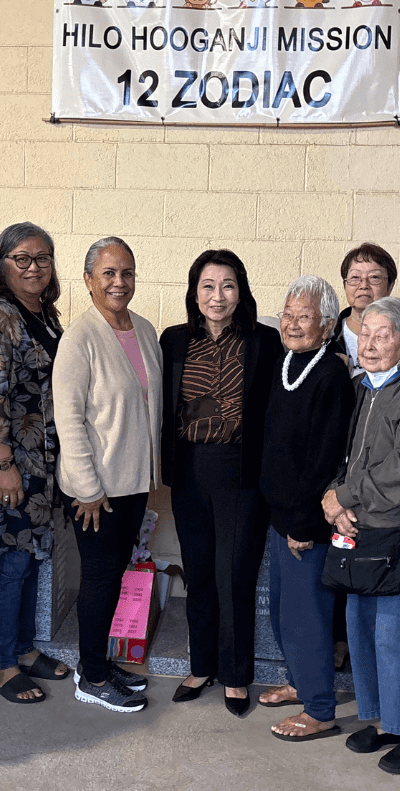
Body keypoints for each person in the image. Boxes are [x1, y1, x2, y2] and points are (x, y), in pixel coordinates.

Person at [320, 296, 400, 777]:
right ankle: (390, 721)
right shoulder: (365, 387)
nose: (371, 345)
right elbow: (349, 459)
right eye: (365, 334)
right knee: (364, 630)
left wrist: (346, 498)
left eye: (384, 336)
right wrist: (336, 497)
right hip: (369, 534)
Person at [161, 249, 281, 716]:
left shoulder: (263, 341)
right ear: (194, 291)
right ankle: (200, 664)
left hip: (240, 472)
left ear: (241, 291)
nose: (217, 295)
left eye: (227, 285)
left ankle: (235, 675)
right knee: (200, 572)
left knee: (235, 576)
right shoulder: (173, 340)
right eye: (208, 286)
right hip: (189, 469)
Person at [53, 237, 161, 713]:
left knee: (115, 577)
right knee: (99, 579)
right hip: (96, 491)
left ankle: (98, 661)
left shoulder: (144, 329)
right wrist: (88, 490)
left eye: (128, 273)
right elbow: (68, 419)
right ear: (89, 280)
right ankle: (90, 676)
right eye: (109, 273)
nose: (120, 282)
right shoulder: (80, 338)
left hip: (135, 484)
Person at [0, 222, 71, 704]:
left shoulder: (44, 315)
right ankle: (4, 665)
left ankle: (25, 649)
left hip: (44, 462)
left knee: (30, 558)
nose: (34, 267)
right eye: (22, 259)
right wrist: (4, 463)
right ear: (1, 264)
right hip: (15, 461)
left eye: (42, 258)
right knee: (12, 561)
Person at [257, 276, 355, 741]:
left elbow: (325, 457)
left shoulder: (332, 373)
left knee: (307, 616)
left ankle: (320, 709)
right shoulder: (288, 363)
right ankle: (301, 683)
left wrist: (303, 522)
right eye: (288, 315)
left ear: (329, 324)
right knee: (282, 611)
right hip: (282, 518)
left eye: (305, 317)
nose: (293, 324)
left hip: (306, 524)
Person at [328, 242, 400, 376]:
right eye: (355, 277)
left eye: (374, 277)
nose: (363, 285)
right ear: (345, 285)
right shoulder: (327, 335)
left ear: (390, 286)